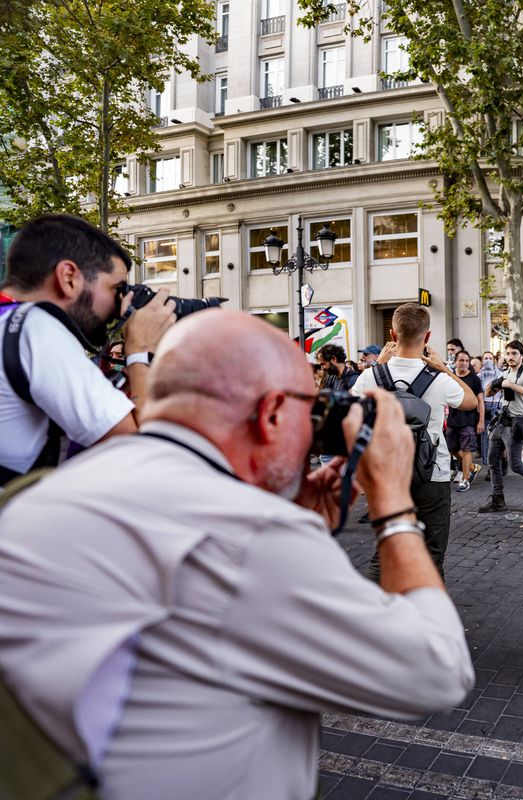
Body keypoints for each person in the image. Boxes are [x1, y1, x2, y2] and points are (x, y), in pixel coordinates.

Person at [0, 310, 474, 799]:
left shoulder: (50, 490)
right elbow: (436, 670)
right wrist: (393, 505)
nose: (315, 431)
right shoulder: (249, 536)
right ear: (271, 413)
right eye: (310, 411)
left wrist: (292, 517)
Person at [0, 214, 176, 485]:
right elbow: (139, 450)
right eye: (116, 288)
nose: (119, 306)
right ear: (69, 277)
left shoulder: (8, 323)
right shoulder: (35, 327)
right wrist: (142, 349)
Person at [352, 304, 478, 575]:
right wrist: (444, 368)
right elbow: (470, 402)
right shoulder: (439, 380)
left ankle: (376, 612)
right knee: (431, 555)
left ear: (392, 335)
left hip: (388, 476)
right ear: (428, 337)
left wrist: (379, 367)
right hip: (432, 474)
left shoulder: (369, 376)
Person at [478, 341, 523, 512]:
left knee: (516, 465)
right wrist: (494, 385)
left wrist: (511, 386)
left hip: (516, 424)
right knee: (492, 460)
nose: (510, 357)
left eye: (514, 354)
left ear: (522, 355)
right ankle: (498, 499)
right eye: (508, 354)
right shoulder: (505, 373)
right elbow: (488, 393)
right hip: (501, 421)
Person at [446, 350, 485, 492]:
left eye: (466, 361)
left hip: (469, 420)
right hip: (452, 419)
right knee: (452, 449)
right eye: (461, 360)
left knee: (466, 449)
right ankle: (473, 467)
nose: (464, 363)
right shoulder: (450, 377)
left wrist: (481, 421)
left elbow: (480, 401)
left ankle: (465, 480)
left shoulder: (474, 379)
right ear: (455, 362)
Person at [477, 351, 501, 474]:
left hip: (498, 407)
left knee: (498, 437)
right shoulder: (479, 376)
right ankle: (489, 468)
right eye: (485, 358)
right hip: (484, 407)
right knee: (486, 438)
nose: (487, 360)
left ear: (494, 360)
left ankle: (500, 463)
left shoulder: (500, 374)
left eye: (490, 358)